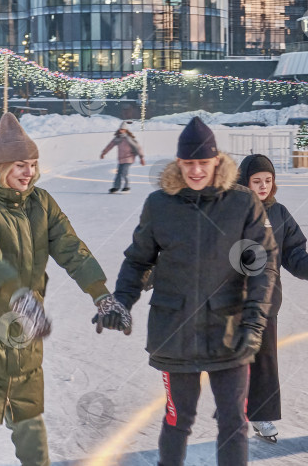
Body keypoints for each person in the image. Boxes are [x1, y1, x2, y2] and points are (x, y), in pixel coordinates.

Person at [0, 112, 131, 466]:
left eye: (33, 164)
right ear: (0, 166)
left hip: (18, 331)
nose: (29, 172)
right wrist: (21, 296)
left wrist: (101, 295)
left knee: (29, 422)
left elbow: (71, 247)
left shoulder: (41, 203)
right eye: (20, 165)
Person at [106, 117, 277, 466]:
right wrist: (121, 300)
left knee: (233, 422)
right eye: (188, 163)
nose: (196, 171)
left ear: (217, 161)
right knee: (177, 420)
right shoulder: (159, 204)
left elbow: (262, 267)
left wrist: (253, 323)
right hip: (175, 330)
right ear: (178, 163)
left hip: (230, 331)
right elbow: (137, 261)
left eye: (203, 162)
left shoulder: (243, 203)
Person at [237, 154, 308, 442]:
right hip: (232, 303)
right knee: (232, 363)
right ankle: (231, 416)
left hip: (266, 303)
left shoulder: (279, 213)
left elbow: (294, 253)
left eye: (268, 180)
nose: (263, 186)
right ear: (244, 182)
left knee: (264, 362)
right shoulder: (230, 212)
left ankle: (261, 414)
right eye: (256, 181)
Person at [100, 122, 146, 193]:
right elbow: (110, 145)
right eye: (120, 129)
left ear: (126, 130)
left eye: (123, 129)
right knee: (118, 173)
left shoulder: (128, 138)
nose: (121, 131)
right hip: (121, 159)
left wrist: (141, 157)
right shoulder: (117, 138)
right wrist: (104, 152)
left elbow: (138, 147)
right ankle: (116, 187)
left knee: (124, 173)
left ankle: (126, 187)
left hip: (129, 158)